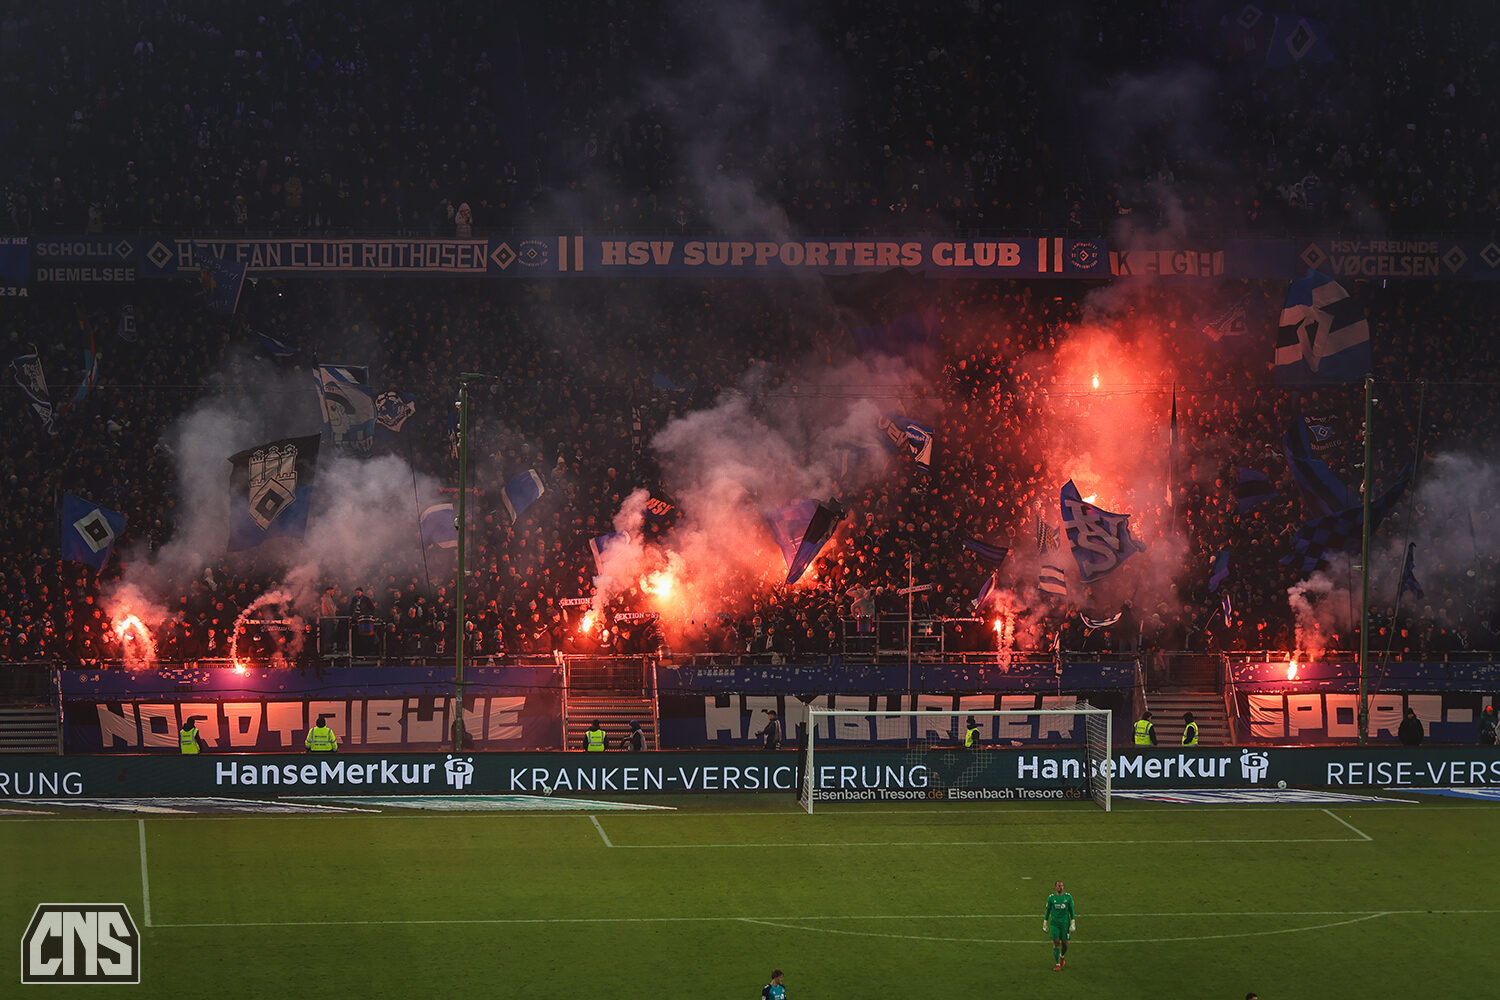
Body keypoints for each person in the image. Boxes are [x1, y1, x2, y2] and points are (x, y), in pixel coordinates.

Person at [1043, 879, 1075, 971]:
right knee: (1056, 942)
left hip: (1065, 924)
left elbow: (1071, 910)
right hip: (1054, 924)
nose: (1060, 887)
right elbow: (1048, 910)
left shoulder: (1068, 897)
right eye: (1059, 885)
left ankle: (1062, 956)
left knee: (1065, 944)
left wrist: (1073, 922)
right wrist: (1045, 922)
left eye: (1062, 885)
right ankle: (1057, 964)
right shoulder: (1051, 898)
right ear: (1055, 887)